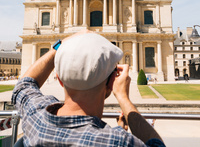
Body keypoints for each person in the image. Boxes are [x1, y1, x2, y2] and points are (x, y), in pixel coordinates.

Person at [12, 30, 165, 146]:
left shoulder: (35, 117)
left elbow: (23, 85)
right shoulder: (118, 141)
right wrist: (123, 98)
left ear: (59, 78)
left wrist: (63, 44)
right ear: (112, 82)